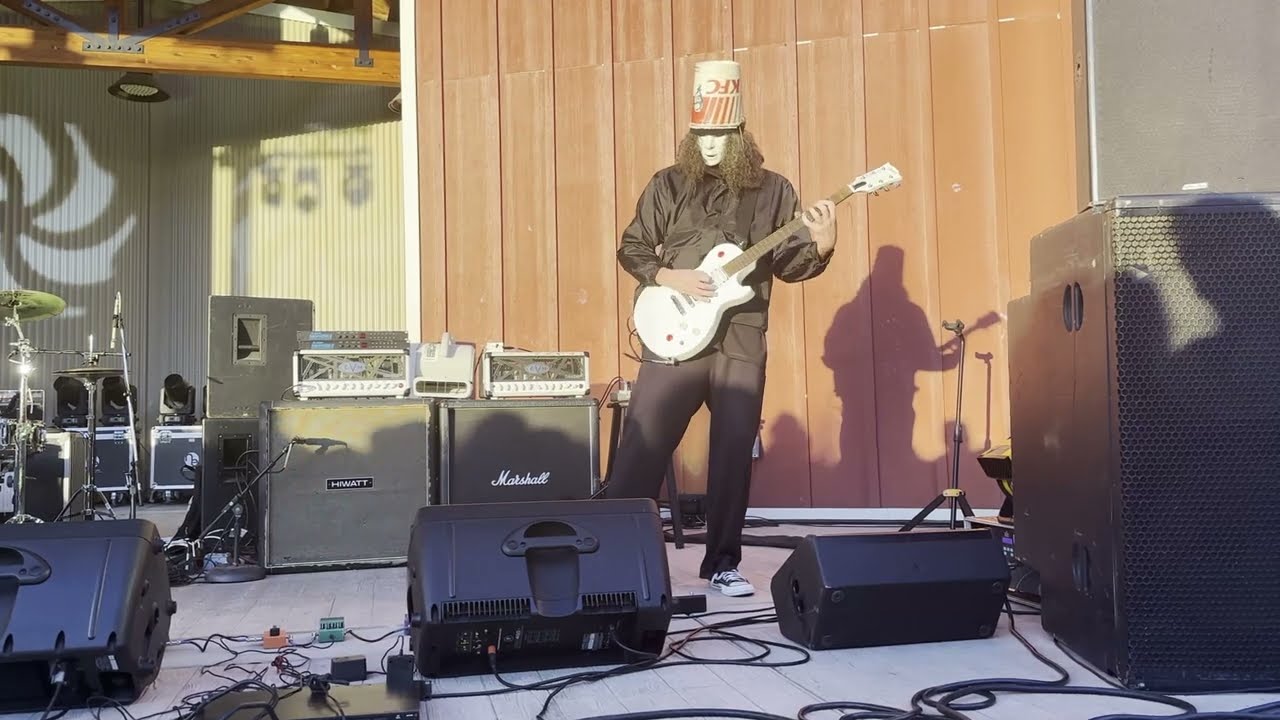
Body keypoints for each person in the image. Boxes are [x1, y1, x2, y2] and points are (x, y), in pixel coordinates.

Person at [605, 60, 837, 597]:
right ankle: (616, 550)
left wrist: (822, 244)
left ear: (739, 134)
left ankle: (723, 561)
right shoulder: (669, 184)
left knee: (733, 453)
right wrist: (671, 277)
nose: (708, 145)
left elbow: (789, 263)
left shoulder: (775, 191)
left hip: (740, 339)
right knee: (642, 447)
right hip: (674, 339)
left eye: (718, 135)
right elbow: (632, 246)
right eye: (700, 135)